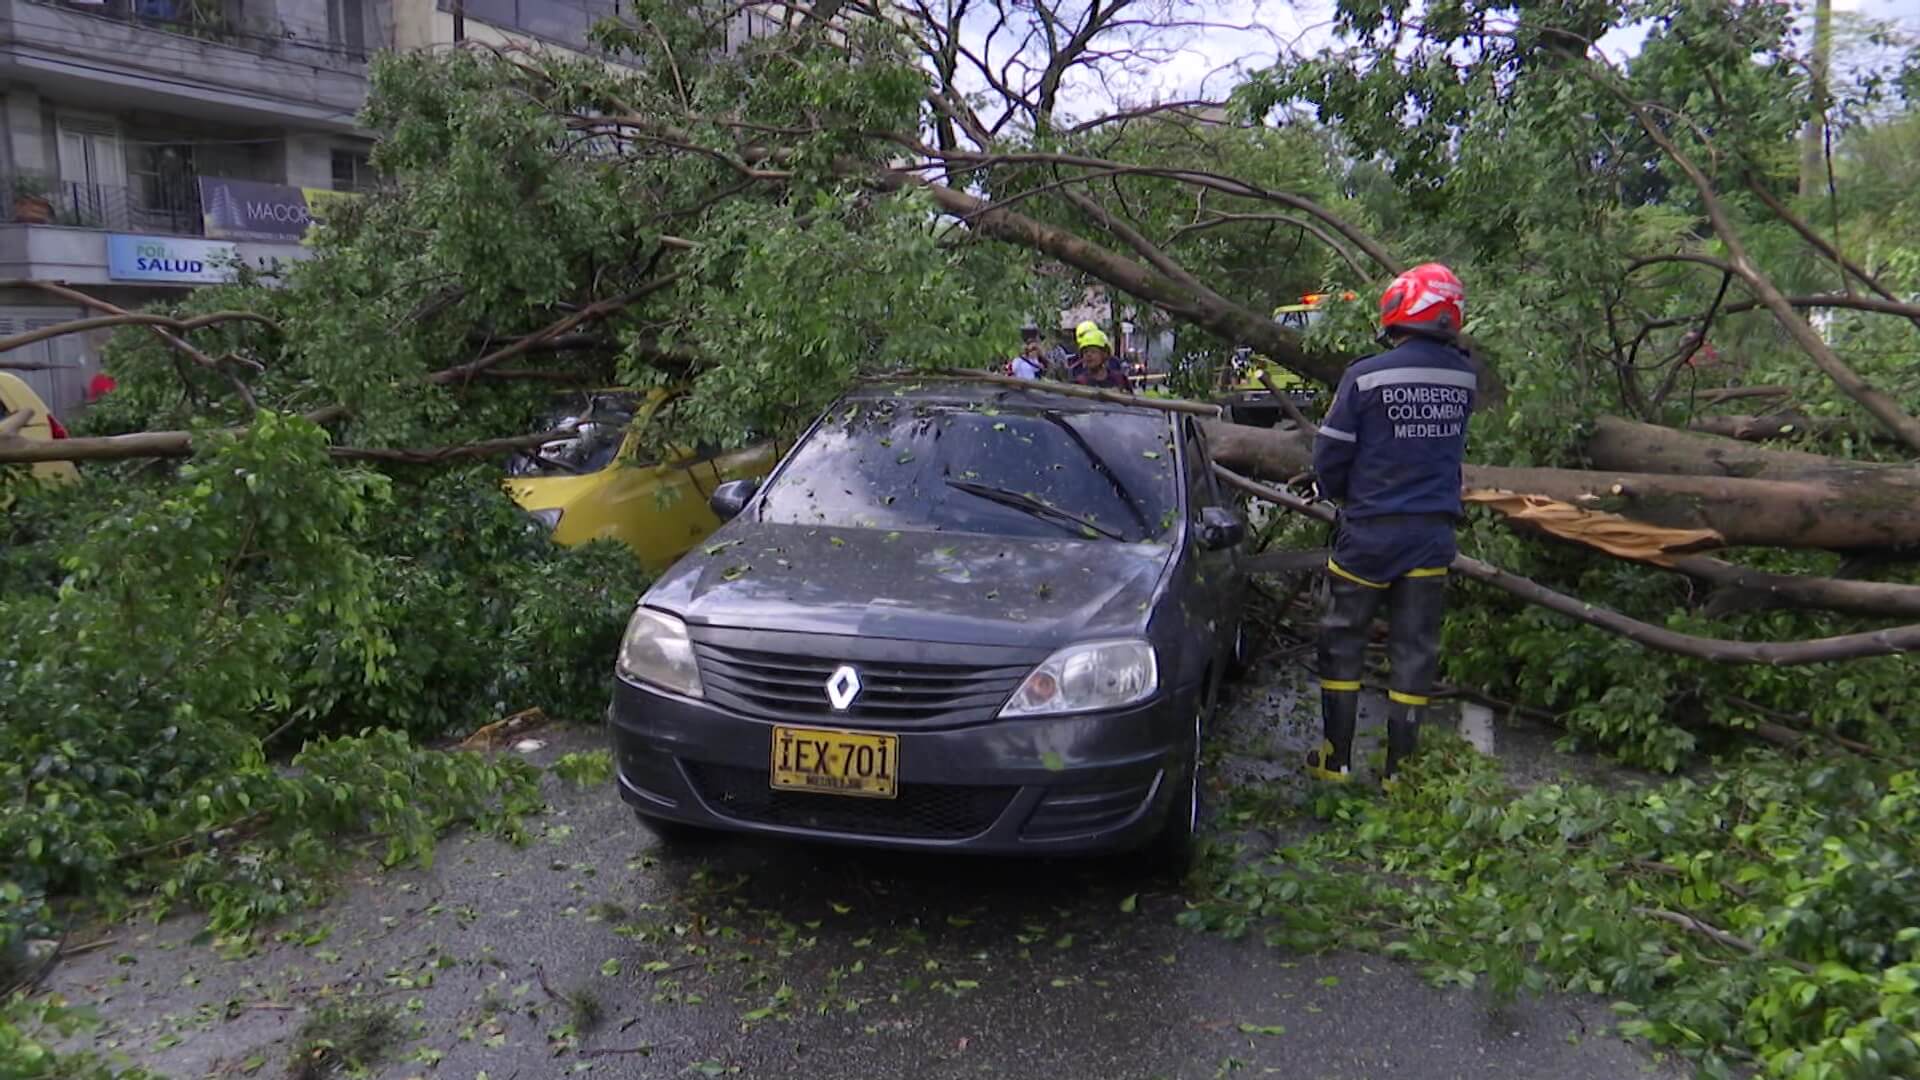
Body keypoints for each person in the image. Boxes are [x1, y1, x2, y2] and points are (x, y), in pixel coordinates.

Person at [1306, 263, 1476, 787]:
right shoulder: (1464, 377)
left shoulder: (1367, 374)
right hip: (1431, 538)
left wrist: (1338, 496)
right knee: (1414, 648)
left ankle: (1335, 762)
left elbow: (1331, 455)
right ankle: (1400, 772)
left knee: (1342, 639)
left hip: (1370, 534)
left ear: (1399, 308)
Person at [1064, 321, 1132, 393]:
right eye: (1085, 352)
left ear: (1105, 354)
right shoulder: (1079, 383)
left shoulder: (1119, 379)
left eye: (1093, 351)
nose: (1089, 355)